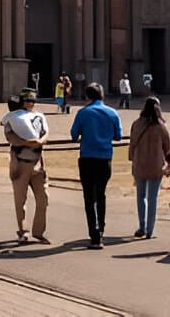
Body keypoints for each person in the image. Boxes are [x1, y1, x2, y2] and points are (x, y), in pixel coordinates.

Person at [70, 83, 123, 249]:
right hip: (105, 158)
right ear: (102, 95)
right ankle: (101, 230)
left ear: (87, 96)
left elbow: (73, 135)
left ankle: (94, 234)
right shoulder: (112, 113)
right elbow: (118, 136)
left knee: (88, 197)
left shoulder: (83, 113)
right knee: (101, 194)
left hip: (87, 158)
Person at [2, 89, 49, 244]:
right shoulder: (12, 120)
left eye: (33, 101)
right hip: (20, 162)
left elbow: (45, 133)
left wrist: (41, 141)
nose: (31, 104)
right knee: (20, 200)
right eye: (27, 101)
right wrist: (28, 143)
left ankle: (38, 232)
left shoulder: (37, 118)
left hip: (38, 162)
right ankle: (23, 231)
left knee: (43, 199)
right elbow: (10, 138)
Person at [128, 96, 170, 240]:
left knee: (141, 197)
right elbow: (168, 149)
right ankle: (150, 230)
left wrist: (133, 160)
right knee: (153, 198)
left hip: (140, 164)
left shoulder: (136, 124)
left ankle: (141, 225)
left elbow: (132, 144)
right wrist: (169, 166)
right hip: (156, 166)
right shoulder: (161, 126)